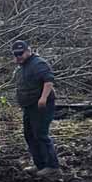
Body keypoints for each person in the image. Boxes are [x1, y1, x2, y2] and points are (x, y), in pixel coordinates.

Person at [11, 38, 61, 172]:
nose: (18, 57)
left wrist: (43, 98)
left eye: (20, 54)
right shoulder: (22, 66)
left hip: (41, 106)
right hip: (29, 106)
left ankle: (52, 166)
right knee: (29, 135)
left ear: (28, 51)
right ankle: (40, 164)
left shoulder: (38, 63)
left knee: (41, 134)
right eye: (15, 54)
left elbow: (48, 80)